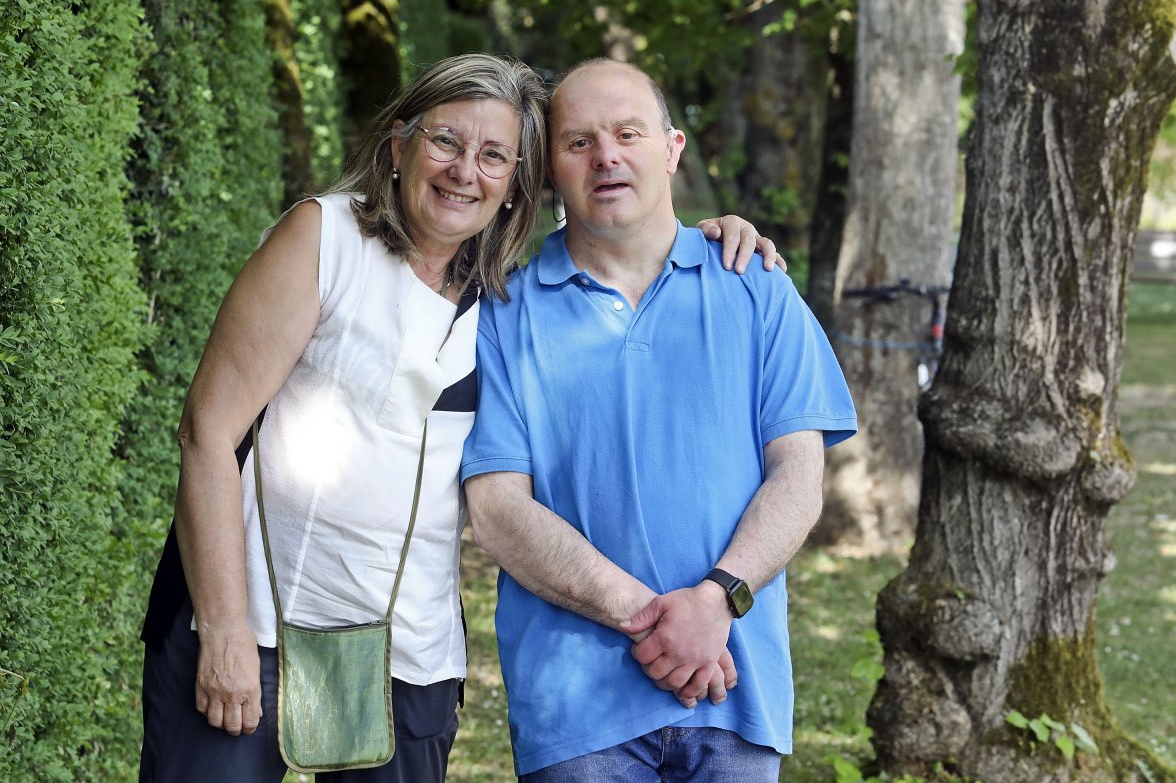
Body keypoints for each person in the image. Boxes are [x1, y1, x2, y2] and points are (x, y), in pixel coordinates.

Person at [138, 52, 778, 783]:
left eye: (494, 156)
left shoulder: (506, 300)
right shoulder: (326, 237)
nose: (464, 170)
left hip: (408, 656)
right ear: (398, 146)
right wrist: (223, 628)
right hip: (260, 629)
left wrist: (716, 234)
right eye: (445, 141)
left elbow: (628, 251)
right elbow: (207, 432)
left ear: (516, 186)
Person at [462, 58, 858, 782]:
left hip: (736, 693)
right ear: (549, 166)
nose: (606, 155)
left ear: (672, 148)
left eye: (627, 133)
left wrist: (719, 602)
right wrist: (665, 624)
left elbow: (798, 477)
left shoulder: (757, 288)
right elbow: (495, 510)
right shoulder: (504, 315)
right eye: (578, 141)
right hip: (576, 712)